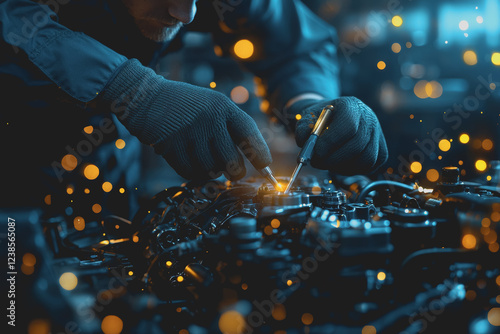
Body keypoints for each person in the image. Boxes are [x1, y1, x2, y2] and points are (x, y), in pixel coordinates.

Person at [0, 0, 388, 219]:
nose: (185, 14)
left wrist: (311, 105)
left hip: (98, 157)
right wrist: (131, 89)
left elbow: (292, 43)